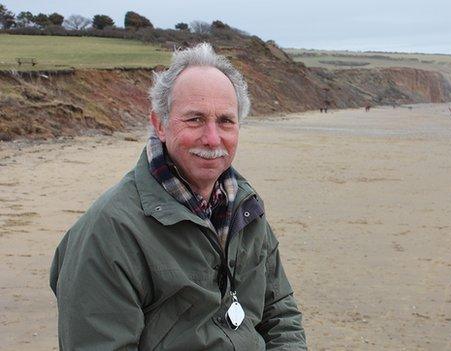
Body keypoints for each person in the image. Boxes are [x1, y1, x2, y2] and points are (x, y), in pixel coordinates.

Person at [49, 43, 307, 350]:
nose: (212, 138)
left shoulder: (245, 210)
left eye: (225, 120)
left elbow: (281, 314)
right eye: (195, 119)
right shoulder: (108, 233)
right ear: (160, 124)